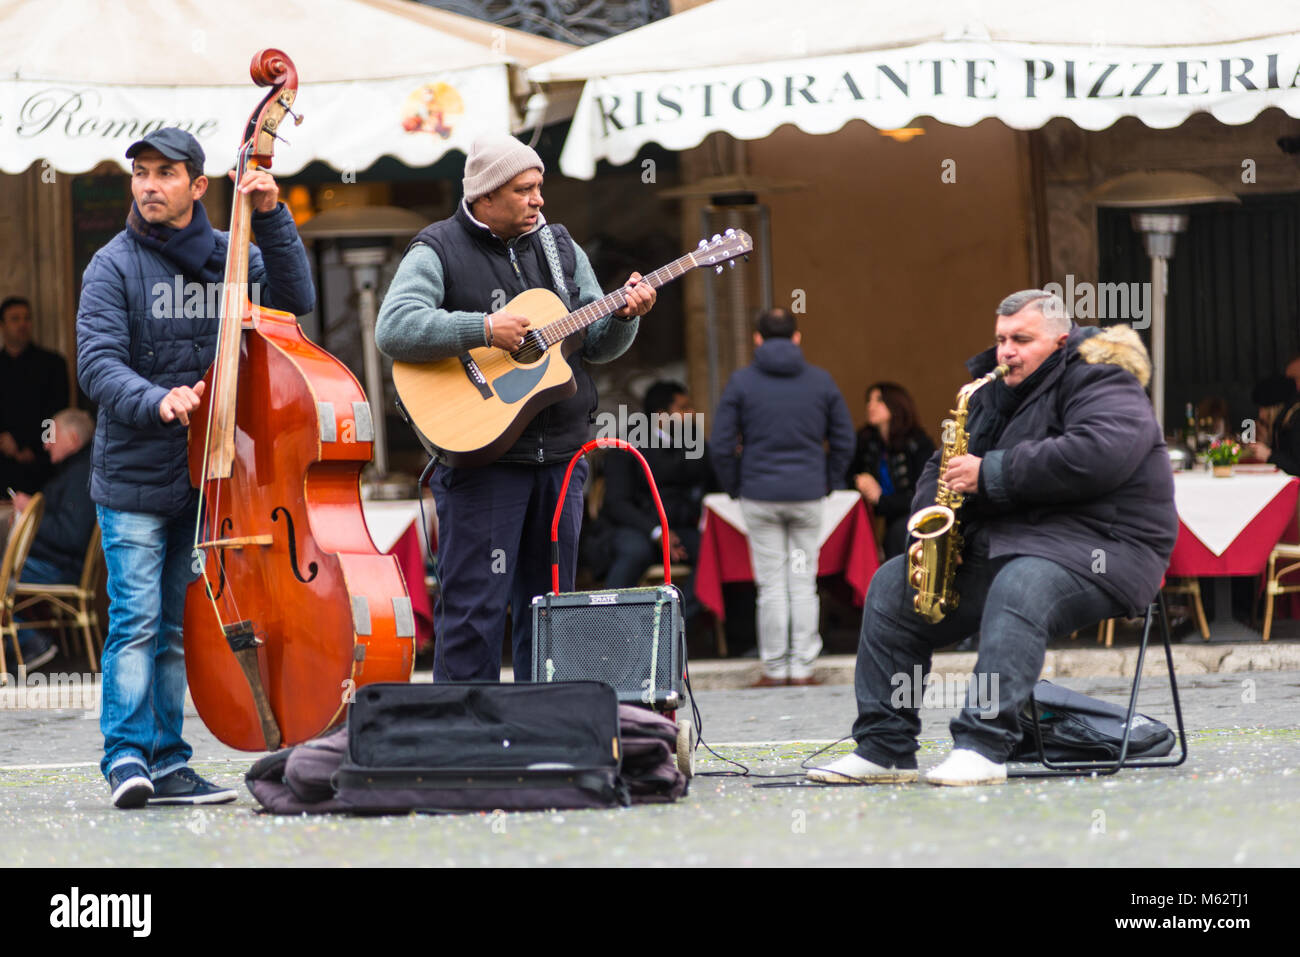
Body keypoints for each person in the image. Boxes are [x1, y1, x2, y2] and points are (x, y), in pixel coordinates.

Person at [808, 290, 1178, 786]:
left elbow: (1098, 454)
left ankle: (983, 745)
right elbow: (941, 468)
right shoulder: (985, 394)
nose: (1006, 351)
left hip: (1105, 549)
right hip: (1013, 543)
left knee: (1020, 584)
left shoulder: (1103, 379)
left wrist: (991, 472)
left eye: (1022, 339)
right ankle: (884, 748)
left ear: (1061, 341)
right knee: (894, 587)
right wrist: (929, 522)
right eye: (1001, 339)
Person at [77, 127, 315, 808]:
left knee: (178, 628)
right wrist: (157, 399)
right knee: (136, 622)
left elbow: (298, 300)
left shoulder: (227, 255)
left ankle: (171, 762)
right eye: (141, 173)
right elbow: (96, 363)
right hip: (134, 477)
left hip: (209, 479)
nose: (149, 185)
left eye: (165, 173)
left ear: (198, 186)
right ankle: (125, 757)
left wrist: (270, 213)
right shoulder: (111, 266)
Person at [375, 132, 655, 683]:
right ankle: (463, 745)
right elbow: (394, 327)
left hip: (562, 462)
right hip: (483, 465)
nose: (538, 200)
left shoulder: (559, 247)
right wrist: (480, 328)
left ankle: (538, 742)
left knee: (552, 615)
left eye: (539, 188)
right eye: (524, 190)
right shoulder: (437, 248)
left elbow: (595, 342)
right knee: (474, 617)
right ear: (484, 195)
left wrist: (626, 316)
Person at [710, 308, 855, 687]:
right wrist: (828, 481)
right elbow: (844, 439)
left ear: (757, 339)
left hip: (760, 496)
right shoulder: (821, 382)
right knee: (803, 581)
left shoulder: (741, 383)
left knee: (772, 585)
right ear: (797, 337)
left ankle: (775, 669)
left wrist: (735, 486)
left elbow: (722, 444)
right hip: (807, 495)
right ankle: (803, 668)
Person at [600, 381, 713, 607]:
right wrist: (658, 532)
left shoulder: (693, 444)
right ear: (661, 416)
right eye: (683, 409)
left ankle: (672, 627)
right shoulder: (627, 446)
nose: (691, 414)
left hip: (679, 528)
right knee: (634, 553)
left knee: (712, 554)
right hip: (637, 527)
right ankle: (609, 624)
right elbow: (617, 503)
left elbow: (711, 483)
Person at [7, 409, 97, 670]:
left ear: (72, 439)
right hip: (57, 563)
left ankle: (29, 642)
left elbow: (71, 536)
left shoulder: (80, 475)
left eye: (52, 436)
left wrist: (31, 514)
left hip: (60, 568)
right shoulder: (73, 470)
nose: (46, 444)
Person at [847, 382, 936, 559]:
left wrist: (881, 499)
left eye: (879, 400)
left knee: (898, 533)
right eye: (869, 400)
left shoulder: (918, 443)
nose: (870, 406)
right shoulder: (866, 439)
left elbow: (925, 494)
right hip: (874, 517)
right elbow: (845, 473)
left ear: (895, 405)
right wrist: (860, 481)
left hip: (911, 516)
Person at [0, 296, 69, 495]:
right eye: (15, 319)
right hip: (3, 465)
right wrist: (5, 442)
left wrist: (31, 446)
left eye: (27, 318)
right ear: (2, 325)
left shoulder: (52, 364)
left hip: (41, 464)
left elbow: (56, 414)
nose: (22, 324)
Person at [1247, 373, 1300, 474]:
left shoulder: (1295, 421)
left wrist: (1269, 455)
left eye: (1262, 408)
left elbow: (1296, 466)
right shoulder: (1286, 421)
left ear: (1272, 409)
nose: (1260, 415)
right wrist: (1267, 443)